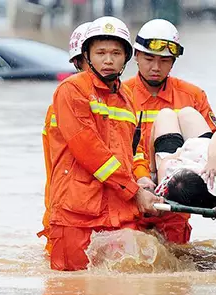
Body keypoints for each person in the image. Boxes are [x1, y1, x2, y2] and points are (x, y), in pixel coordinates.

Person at [46, 16, 162, 271]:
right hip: (78, 214)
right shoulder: (72, 89)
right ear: (87, 55)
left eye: (116, 53)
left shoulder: (127, 97)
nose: (108, 60)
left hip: (119, 211)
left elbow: (134, 150)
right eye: (100, 53)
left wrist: (143, 179)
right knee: (70, 288)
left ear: (126, 58)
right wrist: (135, 191)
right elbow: (89, 150)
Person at [124, 19, 216, 244]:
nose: (156, 67)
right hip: (132, 195)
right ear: (136, 56)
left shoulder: (193, 96)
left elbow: (211, 142)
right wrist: (140, 180)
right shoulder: (121, 95)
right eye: (149, 59)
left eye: (164, 60)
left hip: (176, 196)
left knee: (176, 265)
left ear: (173, 62)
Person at [37, 21, 91, 256]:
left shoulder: (120, 99)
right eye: (95, 57)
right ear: (79, 62)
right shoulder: (68, 100)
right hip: (69, 212)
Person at [149, 107, 216, 211]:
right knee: (187, 112)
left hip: (179, 154)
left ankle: (152, 169)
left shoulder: (170, 177)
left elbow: (165, 162)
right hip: (207, 149)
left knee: (165, 114)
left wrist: (157, 169)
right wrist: (214, 158)